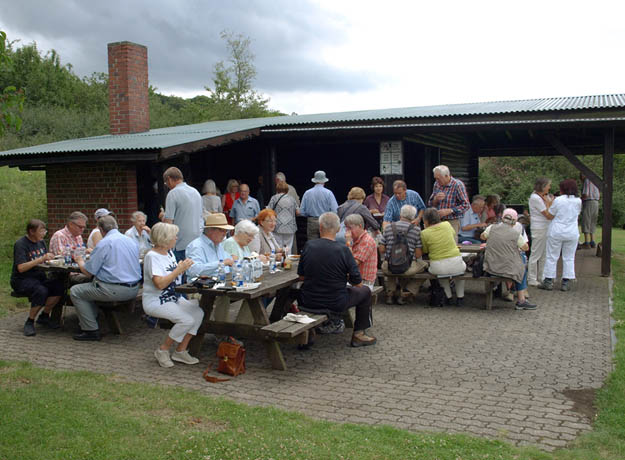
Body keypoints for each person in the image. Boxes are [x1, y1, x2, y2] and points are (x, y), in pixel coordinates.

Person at [298, 212, 376, 347]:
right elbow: (357, 282)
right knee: (365, 292)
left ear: (320, 227)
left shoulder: (308, 246)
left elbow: (302, 276)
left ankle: (311, 331)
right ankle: (359, 334)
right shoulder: (343, 250)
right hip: (335, 302)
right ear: (338, 229)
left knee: (289, 292)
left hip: (308, 300)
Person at [70, 215, 142, 341]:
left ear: (101, 230)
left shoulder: (104, 243)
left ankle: (91, 330)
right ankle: (90, 319)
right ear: (116, 226)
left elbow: (88, 272)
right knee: (89, 286)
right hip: (134, 288)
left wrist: (80, 261)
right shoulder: (130, 241)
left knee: (76, 291)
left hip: (114, 290)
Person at [142, 223, 204, 368]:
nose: (176, 238)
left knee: (198, 313)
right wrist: (178, 270)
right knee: (186, 320)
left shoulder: (169, 253)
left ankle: (180, 350)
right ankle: (162, 350)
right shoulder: (152, 256)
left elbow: (173, 276)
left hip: (174, 298)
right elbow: (160, 284)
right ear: (165, 238)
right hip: (156, 301)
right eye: (174, 236)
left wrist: (183, 268)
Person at [11, 219, 64, 336]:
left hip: (39, 276)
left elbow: (44, 260)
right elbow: (21, 268)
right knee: (41, 291)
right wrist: (40, 259)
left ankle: (44, 316)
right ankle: (30, 321)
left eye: (45, 231)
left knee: (59, 287)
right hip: (22, 279)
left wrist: (51, 259)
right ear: (31, 231)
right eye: (41, 231)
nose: (44, 233)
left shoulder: (41, 243)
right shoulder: (21, 244)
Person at [482, 209, 537, 310]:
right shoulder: (515, 233)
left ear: (502, 218)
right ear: (514, 221)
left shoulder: (492, 227)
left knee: (520, 266)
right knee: (522, 266)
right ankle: (521, 299)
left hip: (490, 267)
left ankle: (513, 293)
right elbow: (525, 248)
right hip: (507, 270)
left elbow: (483, 236)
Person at [186, 213, 235, 323]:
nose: (225, 234)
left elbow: (230, 263)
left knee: (253, 293)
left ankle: (234, 332)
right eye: (222, 231)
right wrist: (221, 264)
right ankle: (222, 333)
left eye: (225, 231)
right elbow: (194, 270)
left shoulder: (218, 244)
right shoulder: (196, 246)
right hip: (199, 287)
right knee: (225, 296)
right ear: (211, 230)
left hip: (219, 284)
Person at [378, 205, 426, 305]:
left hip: (389, 267)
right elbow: (417, 255)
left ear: (400, 214)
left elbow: (381, 250)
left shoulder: (388, 227)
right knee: (425, 266)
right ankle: (406, 291)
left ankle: (390, 293)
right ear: (413, 217)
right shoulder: (416, 230)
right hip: (406, 268)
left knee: (390, 263)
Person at [539, 179, 582, 292]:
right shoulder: (578, 201)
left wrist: (548, 203)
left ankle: (548, 281)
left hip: (557, 231)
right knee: (569, 257)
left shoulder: (558, 200)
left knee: (552, 256)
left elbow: (550, 215)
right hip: (572, 231)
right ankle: (566, 282)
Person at [421, 208, 466, 306]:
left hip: (438, 266)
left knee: (441, 274)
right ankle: (460, 298)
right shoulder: (447, 225)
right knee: (460, 273)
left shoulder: (424, 233)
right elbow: (453, 234)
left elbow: (425, 250)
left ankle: (448, 297)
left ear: (426, 220)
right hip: (456, 262)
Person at [162, 166, 203, 261]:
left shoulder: (173, 194)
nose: (167, 185)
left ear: (169, 179)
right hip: (197, 241)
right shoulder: (195, 192)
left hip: (180, 243)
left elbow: (169, 223)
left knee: (180, 274)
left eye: (166, 183)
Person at [427, 165, 470, 241]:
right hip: (437, 220)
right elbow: (430, 204)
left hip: (452, 221)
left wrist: (449, 210)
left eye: (439, 179)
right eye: (435, 178)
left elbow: (466, 205)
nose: (437, 181)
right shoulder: (436, 184)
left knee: (450, 242)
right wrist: (436, 199)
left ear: (446, 176)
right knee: (437, 243)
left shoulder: (457, 185)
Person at [527, 178, 553, 286]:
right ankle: (531, 278)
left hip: (545, 228)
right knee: (536, 254)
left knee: (544, 254)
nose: (549, 188)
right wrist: (550, 203)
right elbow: (547, 214)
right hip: (539, 228)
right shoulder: (535, 198)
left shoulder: (544, 197)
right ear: (542, 187)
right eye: (548, 185)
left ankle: (542, 276)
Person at [299, 170, 339, 240]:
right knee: (325, 243)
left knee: (313, 244)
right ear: (324, 181)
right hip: (325, 221)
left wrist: (309, 215)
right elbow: (335, 210)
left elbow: (302, 211)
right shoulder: (329, 193)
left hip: (312, 221)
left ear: (314, 180)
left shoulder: (307, 193)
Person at [344, 214, 378, 290]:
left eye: (349, 228)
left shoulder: (367, 241)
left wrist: (348, 244)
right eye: (346, 228)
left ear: (359, 226)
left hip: (363, 283)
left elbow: (353, 263)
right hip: (354, 280)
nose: (347, 231)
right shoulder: (356, 239)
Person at [267, 181, 299, 253]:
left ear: (277, 189)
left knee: (278, 247)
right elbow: (298, 212)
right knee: (288, 248)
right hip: (290, 227)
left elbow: (268, 211)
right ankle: (287, 262)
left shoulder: (274, 198)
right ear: (287, 189)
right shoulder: (292, 199)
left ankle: (279, 262)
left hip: (277, 226)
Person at [580, 172, 600, 249]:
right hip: (596, 202)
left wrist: (580, 198)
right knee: (593, 221)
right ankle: (592, 241)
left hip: (589, 202)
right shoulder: (596, 181)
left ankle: (587, 242)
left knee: (586, 221)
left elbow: (586, 194)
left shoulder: (587, 181)